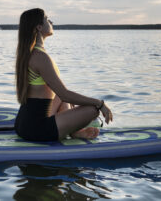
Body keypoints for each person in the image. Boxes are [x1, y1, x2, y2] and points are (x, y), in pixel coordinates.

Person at [14, 8, 113, 141]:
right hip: (36, 130)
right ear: (39, 27)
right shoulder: (40, 57)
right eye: (47, 19)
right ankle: (71, 131)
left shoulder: (31, 54)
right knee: (92, 110)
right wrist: (100, 103)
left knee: (60, 96)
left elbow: (61, 95)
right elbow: (65, 94)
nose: (51, 22)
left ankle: (74, 132)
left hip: (23, 124)